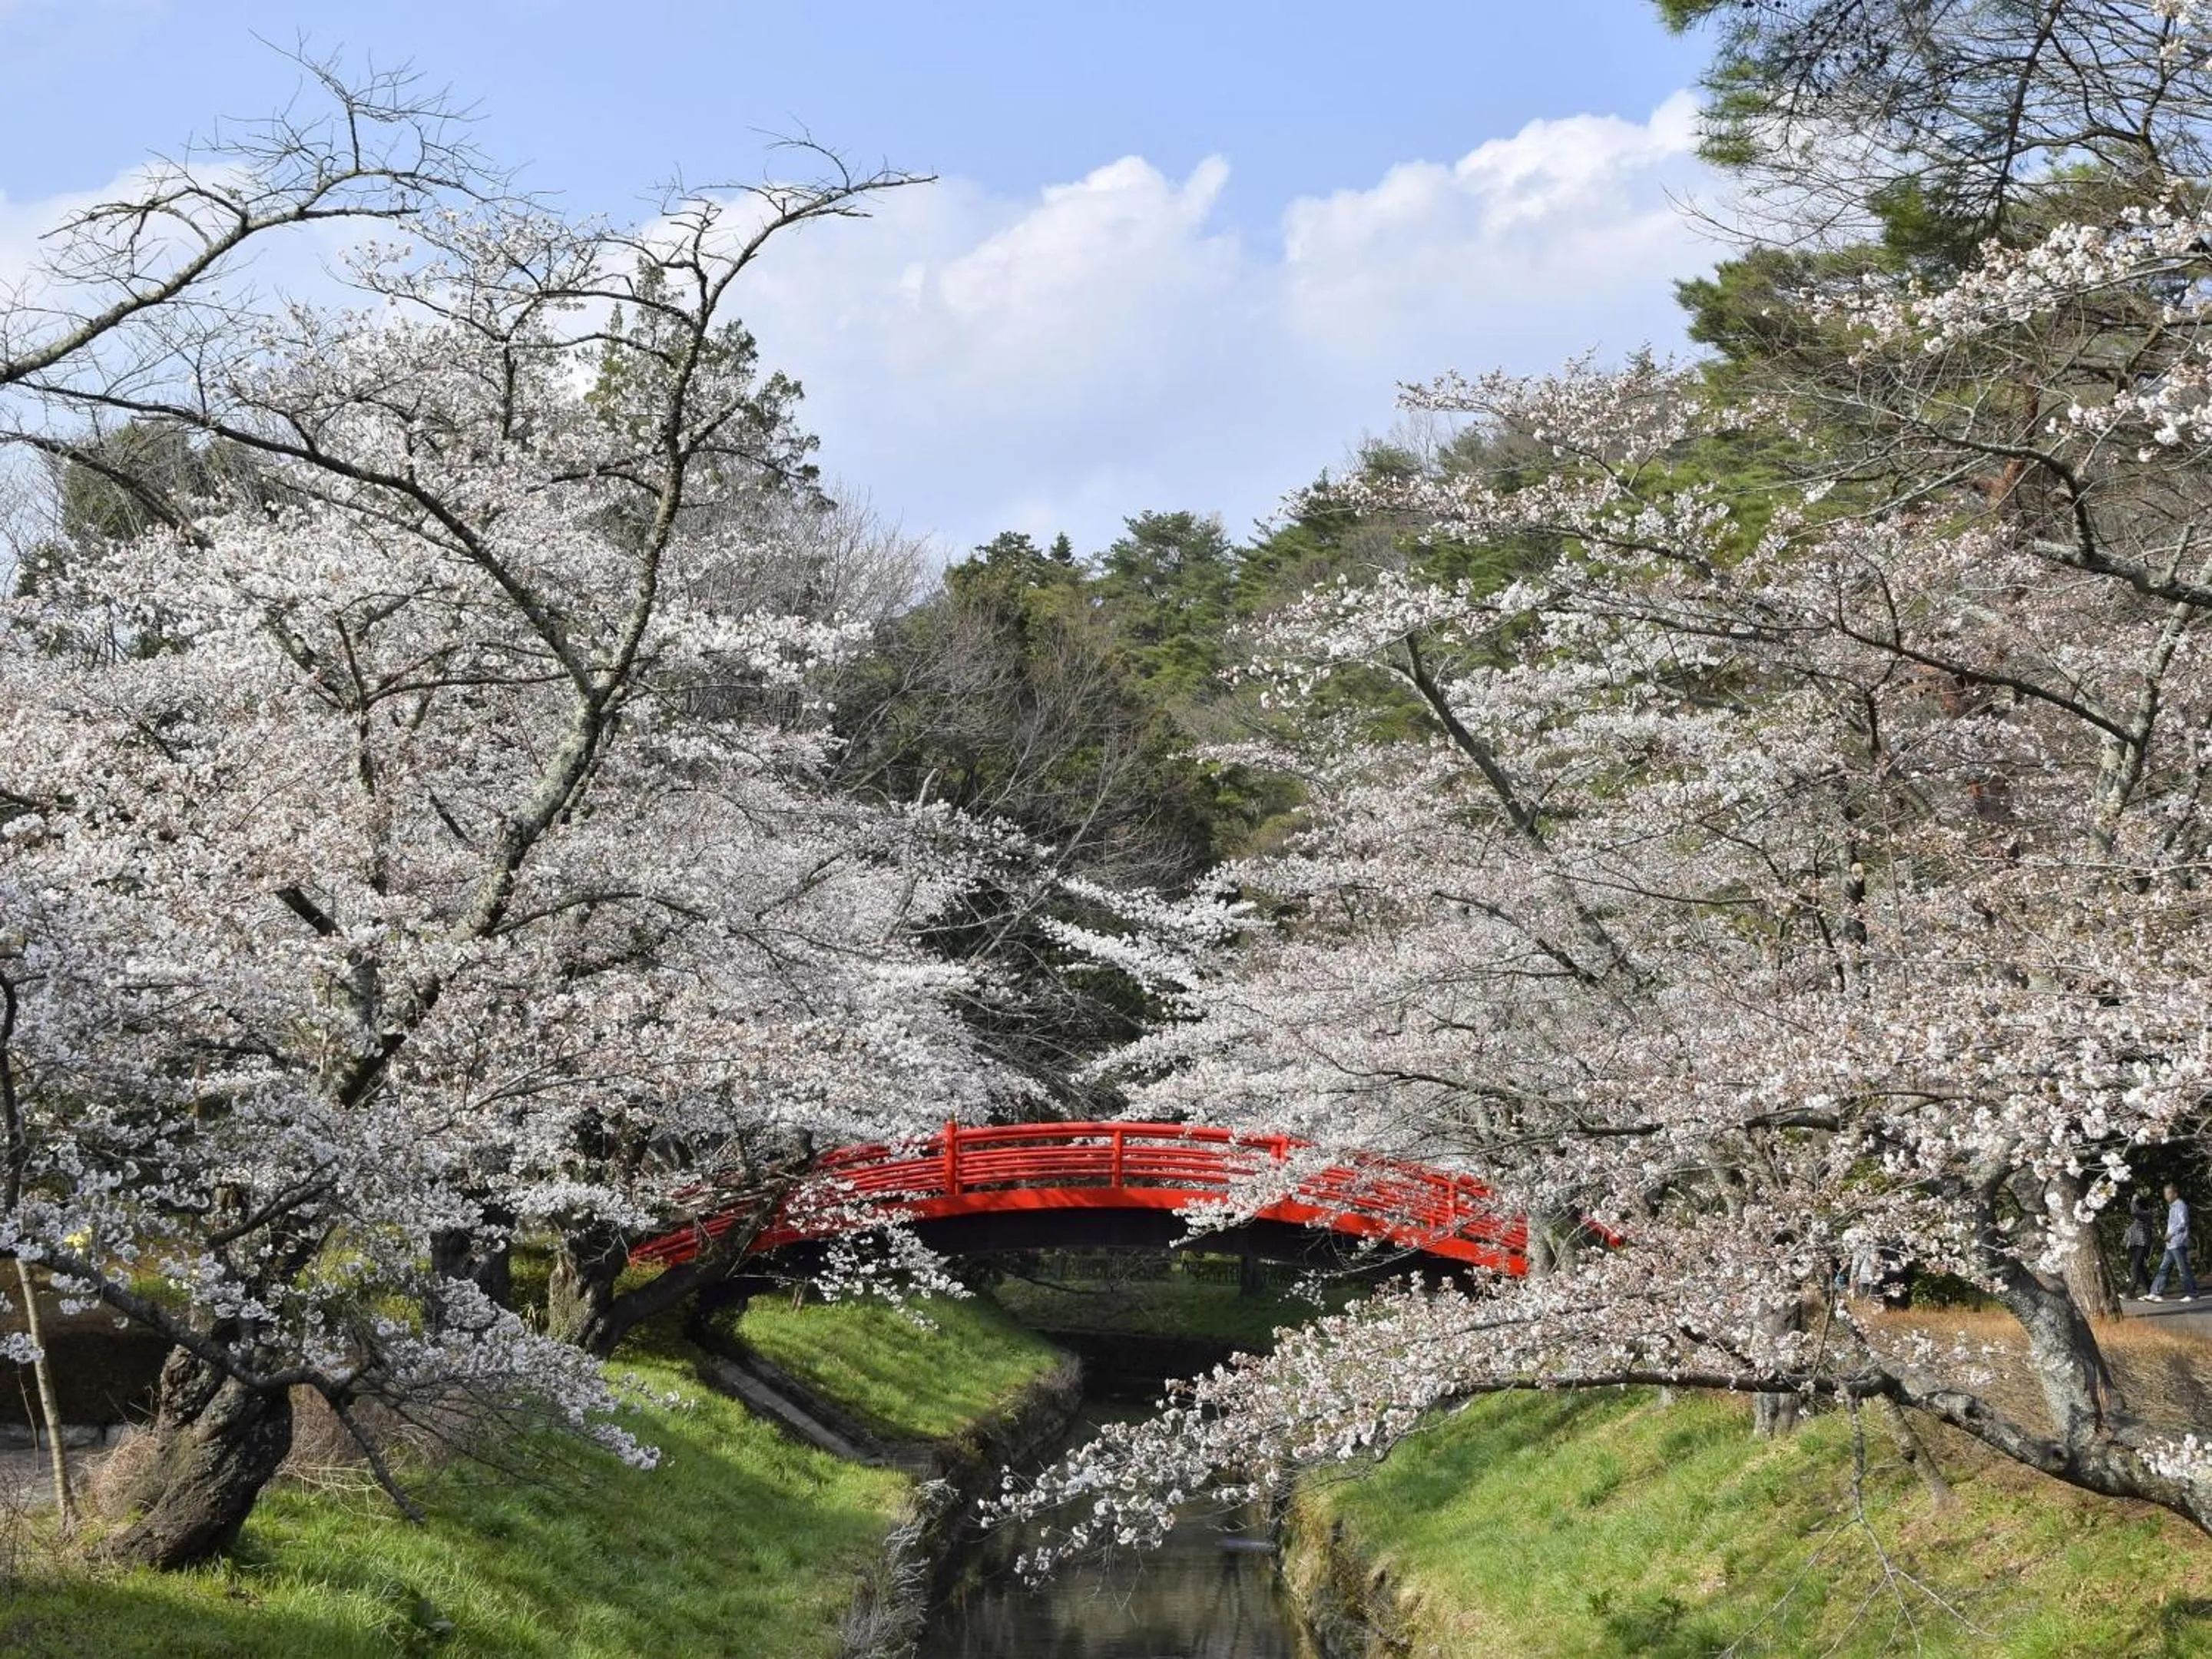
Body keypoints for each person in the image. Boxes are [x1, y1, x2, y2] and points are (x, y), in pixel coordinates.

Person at [2147, 1184, 2198, 1301]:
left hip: (2178, 1242)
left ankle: (2192, 1293)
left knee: (2183, 1268)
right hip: (2171, 1243)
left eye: (2169, 1193)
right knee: (2164, 1267)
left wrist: (2171, 1233)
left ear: (2175, 1194)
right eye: (2165, 1193)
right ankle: (2156, 1292)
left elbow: (2182, 1223)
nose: (2166, 1196)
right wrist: (2167, 1235)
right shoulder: (2172, 1207)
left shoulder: (2180, 1205)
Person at [2124, 1192, 2155, 1296]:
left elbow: (2134, 1211)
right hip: (2136, 1244)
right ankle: (2151, 1289)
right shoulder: (2141, 1217)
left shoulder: (2146, 1214)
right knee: (2140, 1268)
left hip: (2141, 1243)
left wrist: (2133, 1200)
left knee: (2135, 1267)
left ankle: (2130, 1292)